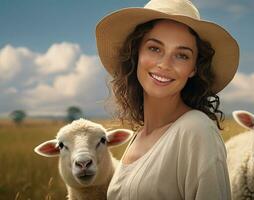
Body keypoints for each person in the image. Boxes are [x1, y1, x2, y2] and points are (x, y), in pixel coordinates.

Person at [95, 0, 239, 199]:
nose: (165, 64)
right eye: (154, 48)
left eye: (181, 55)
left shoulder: (196, 129)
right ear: (136, 53)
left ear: (194, 69)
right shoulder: (139, 135)